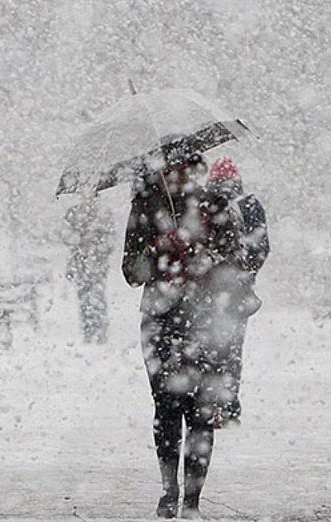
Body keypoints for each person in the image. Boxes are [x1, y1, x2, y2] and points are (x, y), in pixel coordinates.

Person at [122, 150, 230, 519]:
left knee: (201, 411)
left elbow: (235, 262)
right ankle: (169, 491)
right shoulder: (146, 206)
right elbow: (130, 271)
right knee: (166, 409)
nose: (179, 175)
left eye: (186, 168)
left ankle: (193, 501)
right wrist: (159, 249)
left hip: (205, 321)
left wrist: (201, 255)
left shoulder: (213, 205)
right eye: (172, 169)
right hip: (161, 319)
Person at [199, 156, 270, 429]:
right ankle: (228, 405)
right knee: (232, 349)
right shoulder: (250, 205)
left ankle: (210, 402)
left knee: (207, 347)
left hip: (208, 291)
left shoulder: (205, 205)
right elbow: (262, 247)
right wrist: (247, 272)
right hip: (238, 292)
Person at [63, 195, 114, 344]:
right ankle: (88, 329)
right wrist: (79, 240)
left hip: (97, 264)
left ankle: (100, 329)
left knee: (97, 294)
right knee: (84, 295)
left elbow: (110, 241)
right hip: (81, 263)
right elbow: (64, 235)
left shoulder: (103, 216)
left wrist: (96, 244)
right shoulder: (73, 213)